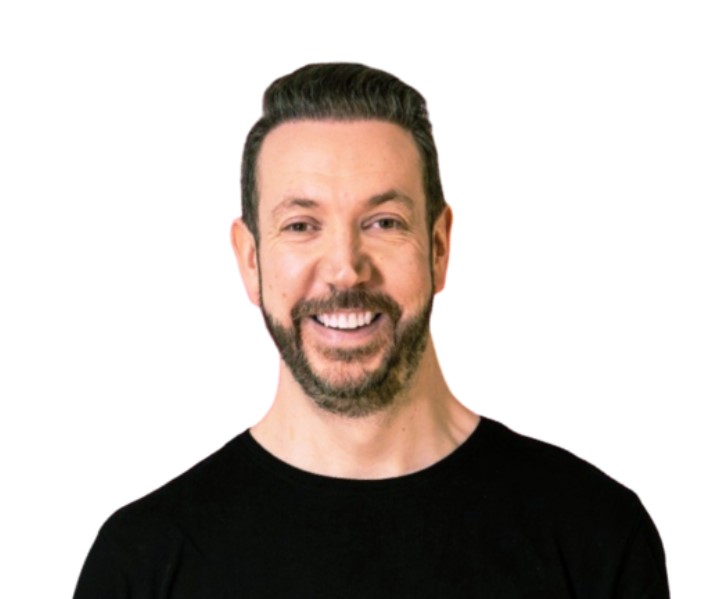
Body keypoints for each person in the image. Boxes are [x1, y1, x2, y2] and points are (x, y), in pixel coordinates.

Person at [73, 63, 670, 598]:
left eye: (384, 222)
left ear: (438, 246)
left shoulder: (594, 534)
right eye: (301, 225)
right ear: (250, 260)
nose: (345, 268)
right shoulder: (143, 563)